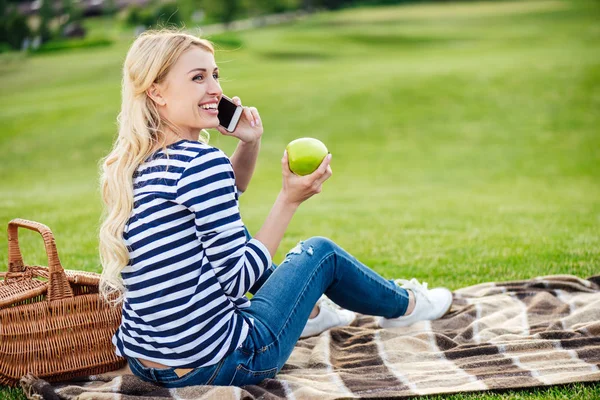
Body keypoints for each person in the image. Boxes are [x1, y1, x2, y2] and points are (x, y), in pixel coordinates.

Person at [98, 29, 453, 389]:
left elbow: (222, 198)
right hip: (226, 362)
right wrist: (289, 200)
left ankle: (309, 313)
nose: (215, 90)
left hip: (150, 365)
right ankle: (406, 307)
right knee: (321, 253)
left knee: (235, 237)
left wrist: (250, 142)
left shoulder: (138, 164)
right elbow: (240, 279)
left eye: (215, 75)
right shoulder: (200, 163)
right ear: (156, 91)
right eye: (198, 78)